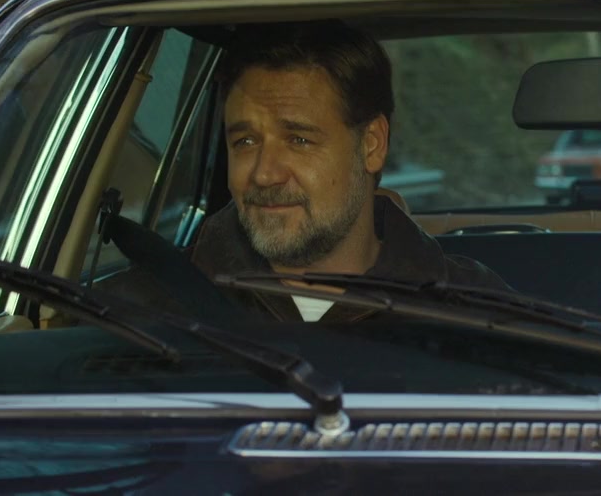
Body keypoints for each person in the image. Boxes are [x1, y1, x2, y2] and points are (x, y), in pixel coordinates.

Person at [191, 20, 509, 323]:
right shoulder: (174, 294)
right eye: (245, 141)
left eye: (299, 140)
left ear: (371, 145)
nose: (264, 174)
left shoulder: (473, 310)